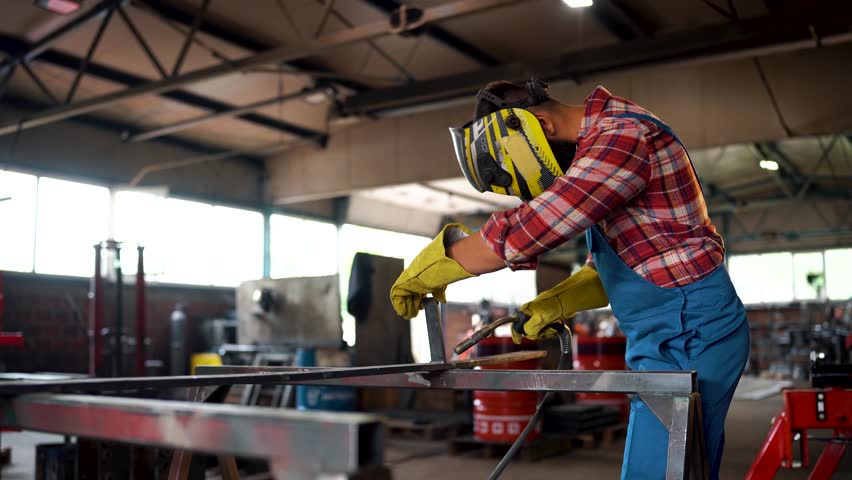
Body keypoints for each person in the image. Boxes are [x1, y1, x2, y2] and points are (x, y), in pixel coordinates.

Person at [390, 78, 750, 480]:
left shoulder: (622, 137)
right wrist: (556, 302)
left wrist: (436, 263)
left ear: (541, 127)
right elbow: (625, 267)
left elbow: (536, 227)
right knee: (675, 469)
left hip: (689, 331)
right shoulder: (605, 147)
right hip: (674, 329)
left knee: (662, 471)